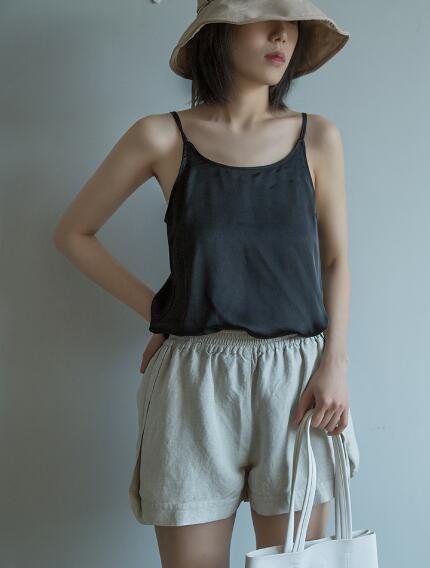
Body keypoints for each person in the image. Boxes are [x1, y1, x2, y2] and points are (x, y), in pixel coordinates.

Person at [53, 0, 360, 566]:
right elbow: (75, 234)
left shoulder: (318, 138)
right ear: (217, 32)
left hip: (296, 383)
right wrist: (165, 310)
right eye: (262, 17)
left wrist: (335, 364)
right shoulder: (160, 137)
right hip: (192, 383)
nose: (282, 34)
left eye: (291, 22)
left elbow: (336, 259)